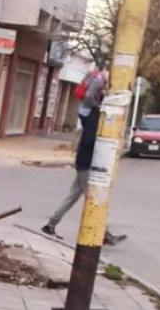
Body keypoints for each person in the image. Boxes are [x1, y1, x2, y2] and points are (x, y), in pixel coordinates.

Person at [41, 68, 127, 245]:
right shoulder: (93, 119)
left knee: (73, 196)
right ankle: (105, 234)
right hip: (86, 166)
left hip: (83, 164)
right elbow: (88, 142)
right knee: (96, 199)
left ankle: (50, 224)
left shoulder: (90, 117)